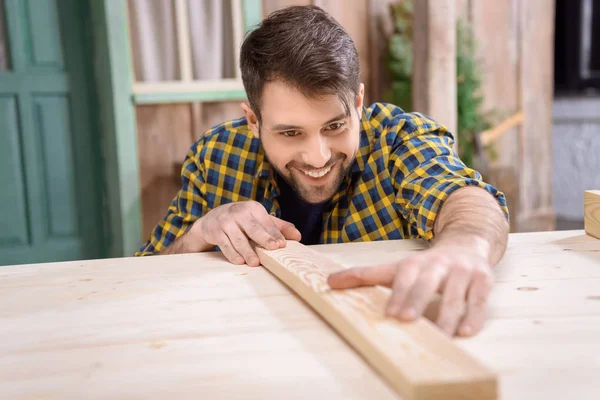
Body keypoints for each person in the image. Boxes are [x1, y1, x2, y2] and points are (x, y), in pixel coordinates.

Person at [136, 5, 509, 337]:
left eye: (335, 127)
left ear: (358, 103)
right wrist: (200, 232)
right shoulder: (215, 156)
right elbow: (148, 274)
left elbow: (463, 197)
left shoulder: (400, 138)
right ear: (253, 119)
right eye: (290, 133)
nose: (317, 157)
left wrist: (466, 246)